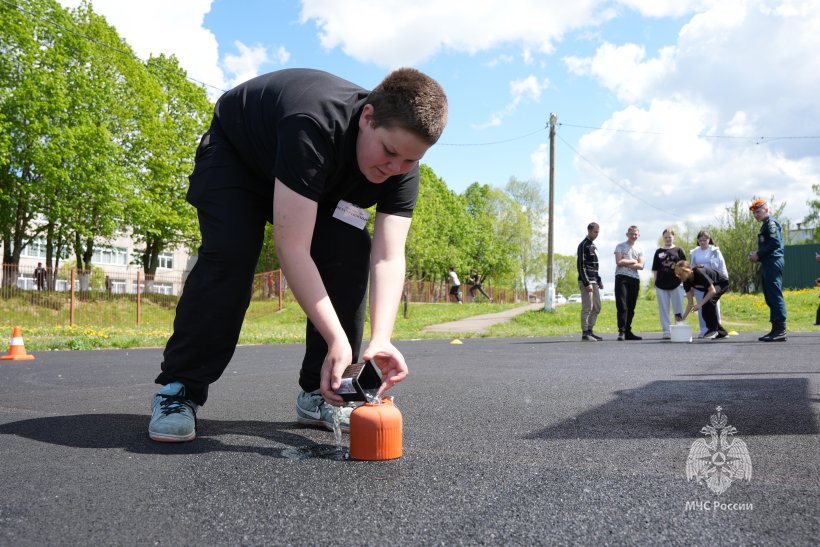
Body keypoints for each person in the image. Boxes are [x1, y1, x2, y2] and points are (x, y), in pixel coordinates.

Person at [148, 68, 448, 442]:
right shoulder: (314, 124)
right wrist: (338, 338)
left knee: (349, 251)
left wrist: (381, 339)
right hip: (239, 157)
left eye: (409, 160)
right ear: (367, 117)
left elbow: (388, 257)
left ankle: (318, 391)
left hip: (316, 181)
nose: (395, 169)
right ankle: (180, 389)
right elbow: (292, 248)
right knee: (232, 253)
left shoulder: (401, 166)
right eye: (389, 152)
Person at [748, 199, 787, 342]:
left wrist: (758, 254)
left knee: (775, 294)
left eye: (758, 211)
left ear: (766, 210)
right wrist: (758, 255)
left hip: (773, 262)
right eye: (754, 213)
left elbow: (775, 243)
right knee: (770, 295)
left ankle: (780, 330)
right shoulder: (765, 224)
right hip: (768, 262)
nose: (756, 215)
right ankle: (775, 329)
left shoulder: (770, 223)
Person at [675, 261, 730, 339]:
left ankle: (713, 330)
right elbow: (690, 302)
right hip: (713, 286)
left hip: (721, 282)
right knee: (705, 306)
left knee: (709, 302)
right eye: (677, 275)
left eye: (680, 274)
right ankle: (722, 332)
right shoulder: (686, 282)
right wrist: (682, 318)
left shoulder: (699, 273)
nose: (678, 277)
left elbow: (713, 291)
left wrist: (699, 304)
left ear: (686, 271)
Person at [689, 231, 728, 337]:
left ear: (709, 239)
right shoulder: (694, 252)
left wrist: (725, 278)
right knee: (701, 305)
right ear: (698, 241)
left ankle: (716, 329)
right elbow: (691, 268)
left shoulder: (715, 251)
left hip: (714, 281)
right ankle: (704, 329)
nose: (702, 242)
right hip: (700, 282)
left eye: (704, 240)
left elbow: (721, 266)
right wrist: (692, 286)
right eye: (700, 240)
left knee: (713, 305)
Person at [651, 228, 686, 339]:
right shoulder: (658, 252)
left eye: (670, 237)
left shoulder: (679, 250)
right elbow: (655, 269)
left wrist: (684, 281)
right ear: (663, 238)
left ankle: (679, 329)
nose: (668, 239)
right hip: (661, 284)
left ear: (673, 237)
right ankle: (666, 331)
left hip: (676, 284)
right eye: (665, 237)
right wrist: (655, 282)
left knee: (678, 308)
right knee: (664, 309)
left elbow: (685, 267)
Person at [614, 225, 645, 341]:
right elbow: (618, 262)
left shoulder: (640, 249)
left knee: (631, 306)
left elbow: (641, 266)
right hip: (621, 278)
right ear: (627, 234)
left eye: (636, 234)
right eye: (631, 234)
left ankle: (628, 331)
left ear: (639, 235)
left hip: (634, 279)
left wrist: (625, 261)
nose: (634, 236)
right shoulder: (620, 246)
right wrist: (633, 261)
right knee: (622, 305)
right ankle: (621, 332)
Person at [577, 222, 603, 341]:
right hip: (586, 281)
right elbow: (581, 266)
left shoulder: (593, 245)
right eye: (595, 232)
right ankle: (585, 332)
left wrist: (599, 279)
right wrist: (586, 283)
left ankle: (590, 331)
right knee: (588, 307)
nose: (597, 234)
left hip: (594, 281)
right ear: (589, 230)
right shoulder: (583, 245)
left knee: (597, 307)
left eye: (598, 232)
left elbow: (595, 266)